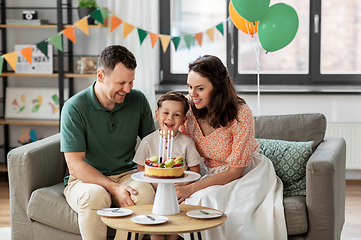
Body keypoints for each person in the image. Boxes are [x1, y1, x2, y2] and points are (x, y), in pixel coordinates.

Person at [177, 55, 287, 240]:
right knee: (191, 205)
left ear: (217, 88)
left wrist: (192, 188)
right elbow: (182, 154)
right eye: (189, 87)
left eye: (200, 88)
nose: (192, 94)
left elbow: (236, 171)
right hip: (214, 175)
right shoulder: (188, 113)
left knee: (210, 203)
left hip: (247, 173)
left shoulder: (240, 114)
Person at [60, 45, 156, 240]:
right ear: (101, 75)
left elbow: (151, 148)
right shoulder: (74, 108)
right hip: (85, 181)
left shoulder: (138, 100)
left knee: (144, 192)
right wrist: (114, 189)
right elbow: (75, 166)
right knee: (95, 195)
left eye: (131, 82)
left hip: (127, 175)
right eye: (121, 83)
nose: (127, 89)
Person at [133, 91, 202, 240]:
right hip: (154, 191)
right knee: (156, 227)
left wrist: (182, 186)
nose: (170, 118)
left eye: (176, 115)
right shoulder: (148, 141)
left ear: (184, 120)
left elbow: (195, 170)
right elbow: (140, 168)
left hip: (177, 195)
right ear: (157, 115)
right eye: (166, 112)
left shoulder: (187, 143)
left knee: (174, 226)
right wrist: (154, 186)